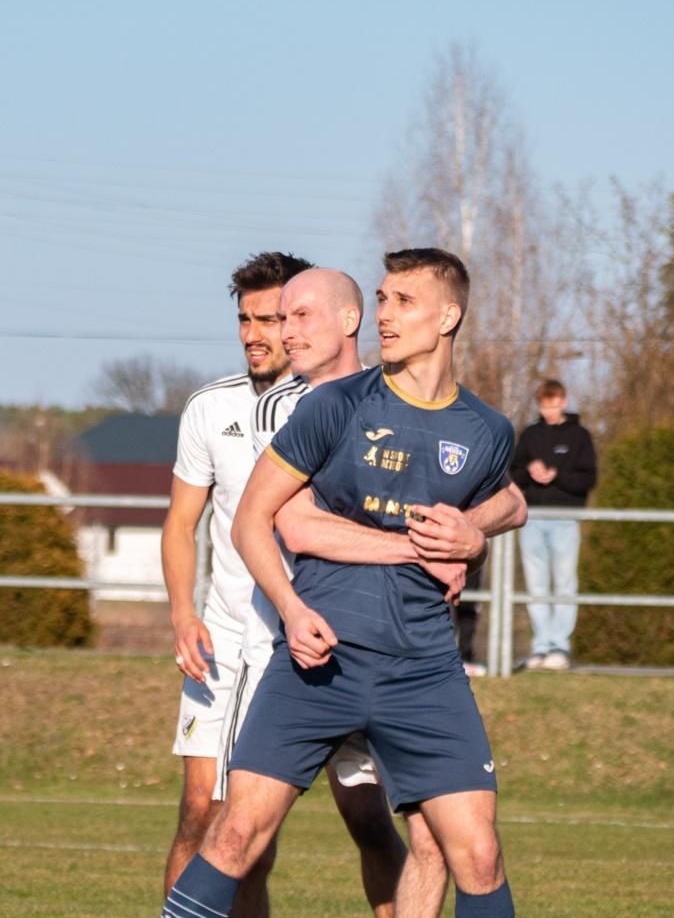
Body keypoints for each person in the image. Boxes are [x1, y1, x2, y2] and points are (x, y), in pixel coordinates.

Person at [163, 248, 525, 918]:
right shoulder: (331, 406)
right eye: (382, 299)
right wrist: (293, 607)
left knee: (473, 853)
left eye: (403, 301)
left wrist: (472, 536)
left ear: (448, 317)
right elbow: (267, 522)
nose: (386, 314)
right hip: (318, 658)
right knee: (235, 833)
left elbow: (510, 502)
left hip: (423, 669)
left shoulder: (486, 429)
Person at [161, 251, 312, 912]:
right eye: (245, 319)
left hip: (307, 643)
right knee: (201, 810)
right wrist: (182, 614)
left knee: (359, 820)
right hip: (222, 639)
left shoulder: (333, 405)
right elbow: (180, 524)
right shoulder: (208, 407)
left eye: (269, 319)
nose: (254, 333)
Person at [508, 379, 597, 671]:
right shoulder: (530, 435)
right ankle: (541, 646)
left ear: (564, 402)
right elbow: (512, 474)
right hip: (532, 518)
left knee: (564, 582)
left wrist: (556, 475)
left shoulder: (579, 436)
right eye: (545, 406)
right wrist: (529, 472)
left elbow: (588, 478)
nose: (549, 411)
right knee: (536, 583)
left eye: (554, 404)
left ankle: (560, 646)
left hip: (565, 519)